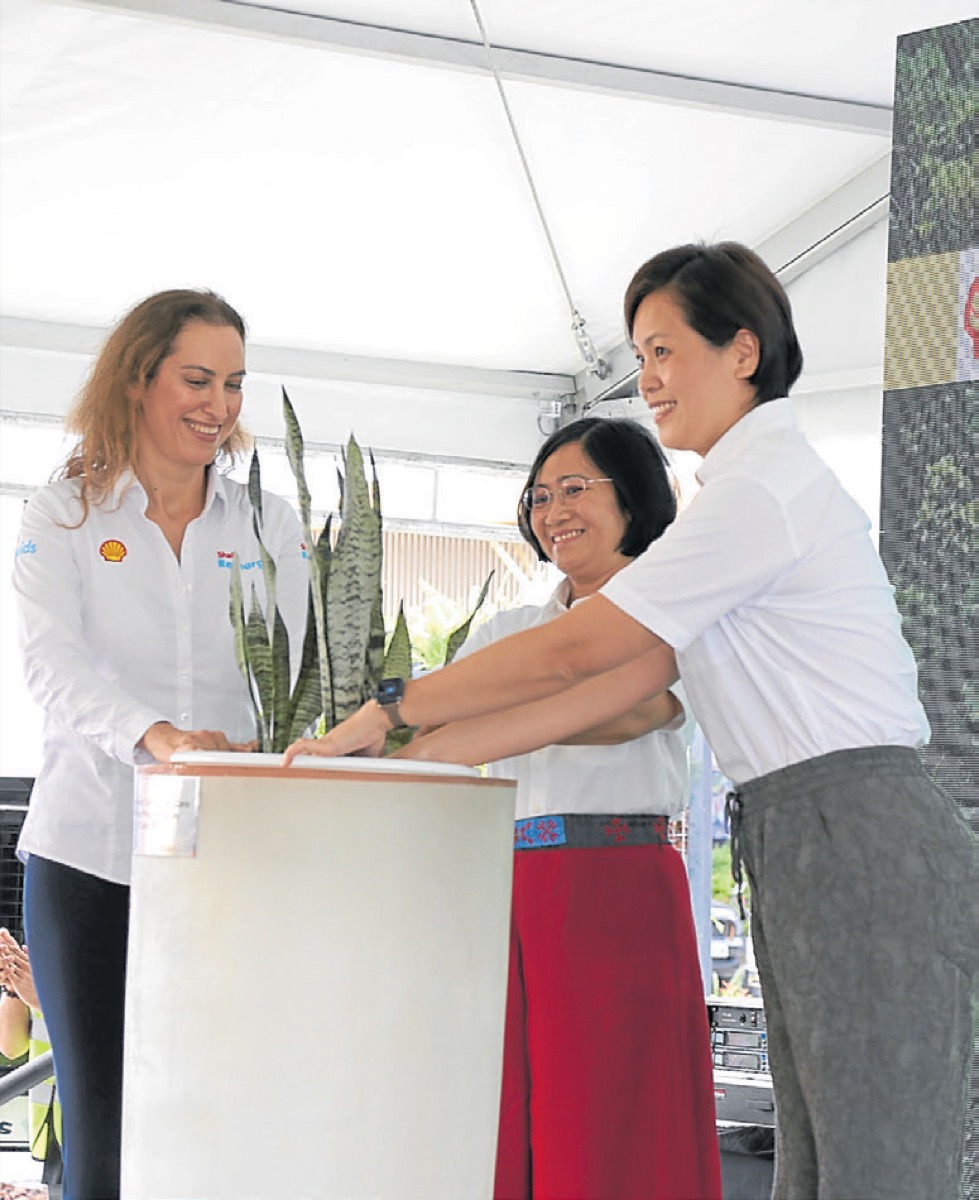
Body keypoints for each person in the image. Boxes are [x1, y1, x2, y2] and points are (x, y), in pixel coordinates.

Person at [285, 242, 978, 1200]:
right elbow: (601, 689)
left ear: (741, 351)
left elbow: (586, 660)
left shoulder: (758, 493)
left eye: (661, 350)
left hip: (852, 827)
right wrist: (399, 753)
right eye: (638, 356)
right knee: (820, 1161)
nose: (645, 380)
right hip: (799, 828)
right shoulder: (727, 506)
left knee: (872, 1165)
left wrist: (387, 709)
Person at [12, 289, 308, 1200]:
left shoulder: (270, 525)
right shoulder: (62, 516)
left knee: (210, 1129)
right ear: (138, 378)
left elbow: (296, 683)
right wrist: (159, 738)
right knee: (103, 1145)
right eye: (195, 378)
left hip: (227, 861)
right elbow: (52, 667)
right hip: (88, 860)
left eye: (233, 384)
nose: (216, 405)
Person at [449, 416, 720, 1199]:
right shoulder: (508, 630)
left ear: (633, 496)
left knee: (608, 1114)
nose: (552, 510)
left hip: (618, 889)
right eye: (539, 495)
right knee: (510, 1108)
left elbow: (634, 715)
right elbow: (438, 726)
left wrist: (477, 720)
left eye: (575, 489)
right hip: (506, 893)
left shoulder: (668, 614)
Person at [0, 931, 62, 1182]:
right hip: (53, 1129)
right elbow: (11, 1047)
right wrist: (14, 988)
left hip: (97, 1122)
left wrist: (42, 1002)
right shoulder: (43, 953)